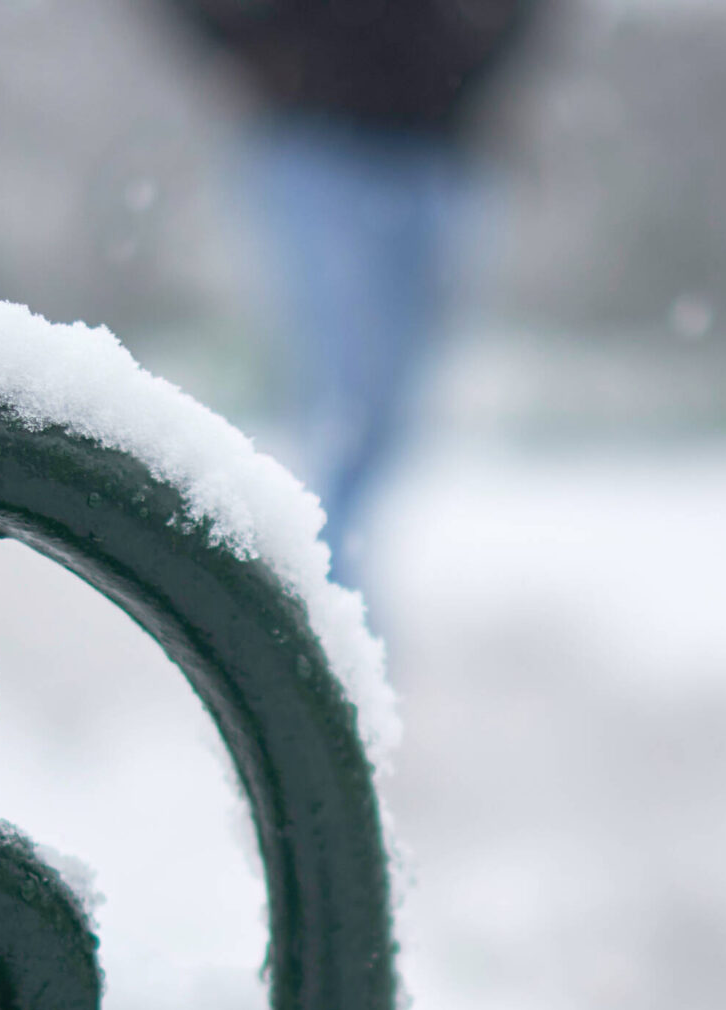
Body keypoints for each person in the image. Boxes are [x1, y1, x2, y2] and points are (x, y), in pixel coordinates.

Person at [163, 0, 544, 618]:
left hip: (439, 156)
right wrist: (254, 57)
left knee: (390, 416)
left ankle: (326, 607)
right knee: (346, 407)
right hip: (319, 150)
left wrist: (481, 67)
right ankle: (317, 614)